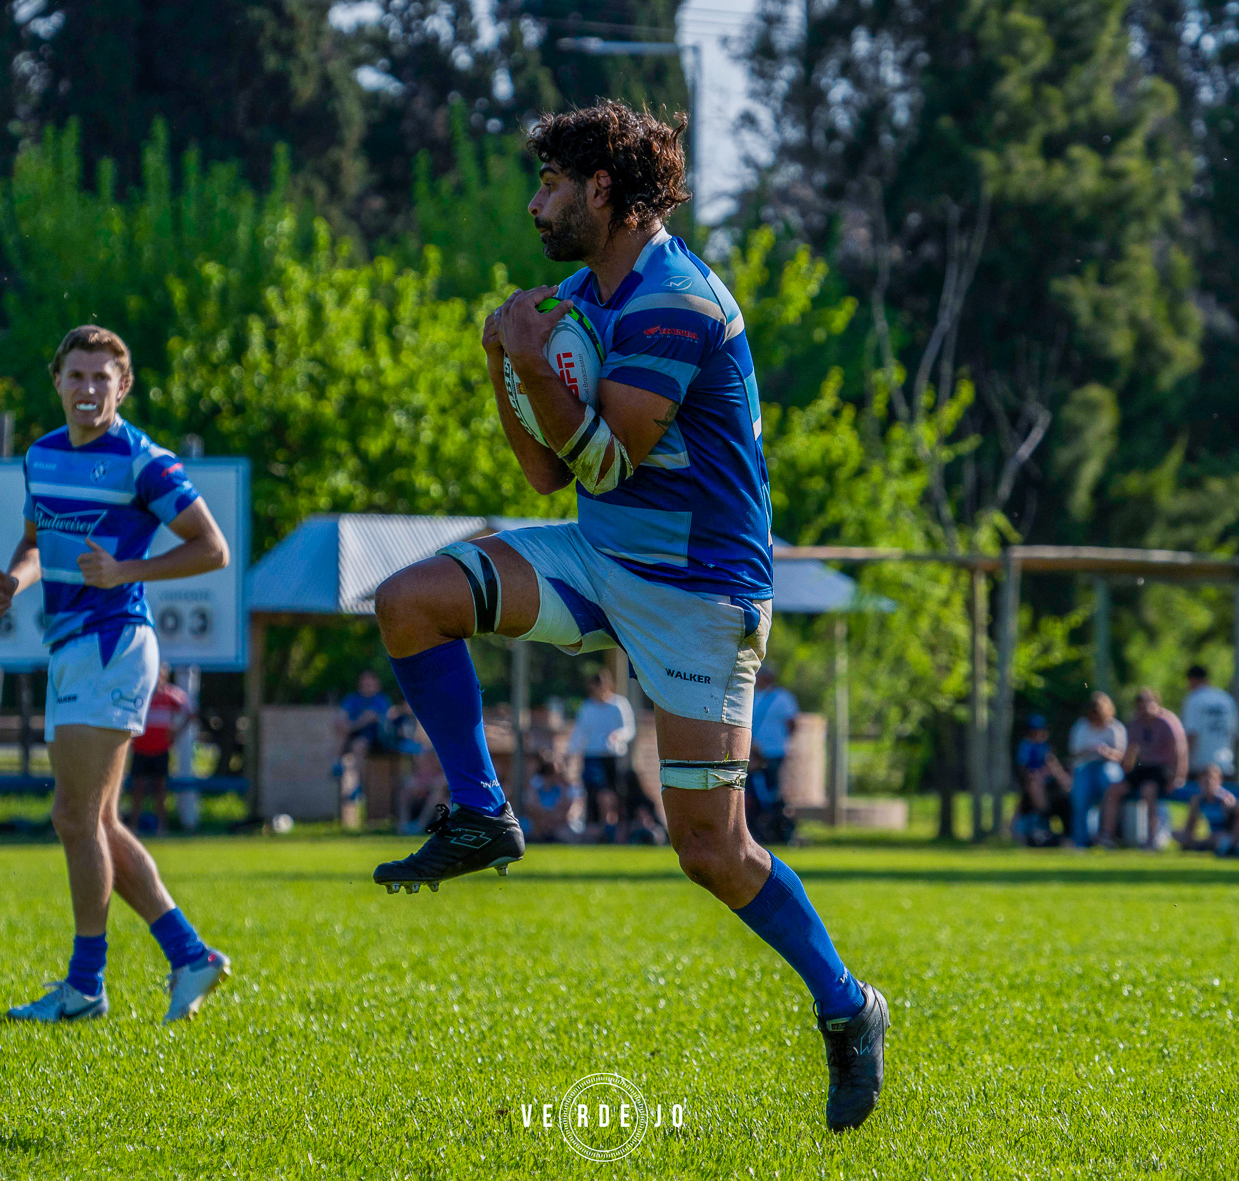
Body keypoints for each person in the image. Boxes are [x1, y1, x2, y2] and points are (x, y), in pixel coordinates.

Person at [365, 103, 886, 1130]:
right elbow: (546, 474)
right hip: (601, 556)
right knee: (408, 601)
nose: (535, 203)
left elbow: (605, 461)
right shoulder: (575, 299)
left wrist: (530, 361)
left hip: (699, 591)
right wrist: (503, 361)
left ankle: (847, 1003)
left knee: (710, 850)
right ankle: (481, 810)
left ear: (603, 189)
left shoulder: (678, 302)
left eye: (551, 181)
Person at [0, 324, 231, 1023]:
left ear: (123, 387)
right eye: (77, 375)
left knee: (74, 815)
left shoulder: (142, 460)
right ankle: (189, 955)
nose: (88, 388)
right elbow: (36, 544)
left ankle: (86, 986)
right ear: (58, 381)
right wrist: (14, 582)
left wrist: (126, 570)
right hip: (73, 646)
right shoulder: (41, 455)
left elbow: (213, 548)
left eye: (102, 377)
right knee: (94, 820)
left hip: (113, 642)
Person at [1101, 688, 1188, 850]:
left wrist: (1178, 777)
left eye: (1148, 705)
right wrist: (1125, 769)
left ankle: (1151, 838)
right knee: (1114, 790)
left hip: (1162, 769)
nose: (1145, 710)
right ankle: (1107, 836)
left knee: (1148, 790)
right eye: (1141, 707)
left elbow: (1179, 751)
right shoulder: (1136, 723)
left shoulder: (1167, 722)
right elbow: (1130, 751)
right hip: (1143, 766)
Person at [566, 669, 636, 843]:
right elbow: (579, 732)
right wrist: (570, 753)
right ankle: (597, 828)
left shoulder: (619, 704)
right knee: (595, 792)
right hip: (593, 756)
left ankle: (615, 827)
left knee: (614, 793)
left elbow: (629, 729)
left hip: (613, 756)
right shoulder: (587, 707)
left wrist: (618, 735)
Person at [127, 664, 194, 835]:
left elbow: (190, 712)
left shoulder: (171, 694)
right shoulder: (140, 694)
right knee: (137, 789)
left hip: (161, 749)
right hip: (141, 749)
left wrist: (177, 732)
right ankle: (133, 827)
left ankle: (162, 827)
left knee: (160, 790)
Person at [749, 663, 801, 845]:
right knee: (754, 793)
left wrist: (782, 743)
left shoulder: (783, 698)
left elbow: (792, 723)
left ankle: (776, 827)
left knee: (772, 792)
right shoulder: (753, 696)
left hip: (774, 752)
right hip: (754, 753)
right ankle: (758, 828)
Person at [1068, 692, 1127, 847]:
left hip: (1107, 766)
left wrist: (1106, 752)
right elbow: (1074, 752)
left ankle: (1107, 835)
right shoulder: (1082, 726)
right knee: (1080, 797)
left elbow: (1121, 756)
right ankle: (1081, 840)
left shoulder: (1115, 727)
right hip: (1085, 766)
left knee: (1110, 786)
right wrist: (1089, 750)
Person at [335, 669, 392, 804]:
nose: (366, 685)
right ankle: (337, 762)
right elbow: (341, 715)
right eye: (364, 681)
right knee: (341, 726)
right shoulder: (352, 699)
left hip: (376, 738)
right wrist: (343, 722)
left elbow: (378, 719)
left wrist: (352, 726)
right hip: (352, 734)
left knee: (359, 743)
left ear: (376, 683)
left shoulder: (381, 700)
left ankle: (358, 785)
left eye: (369, 682)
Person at [1013, 714, 1072, 844]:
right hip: (1034, 787)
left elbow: (1053, 767)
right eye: (1035, 732)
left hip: (1051, 786)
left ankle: (1071, 834)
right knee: (1035, 782)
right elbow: (1024, 770)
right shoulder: (1026, 746)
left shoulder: (1046, 747)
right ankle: (1044, 815)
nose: (1039, 735)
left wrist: (1053, 771)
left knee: (1065, 781)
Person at [1181, 664, 1238, 779]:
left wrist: (1183, 763)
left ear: (1192, 680)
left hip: (1200, 766)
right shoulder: (1226, 698)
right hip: (1224, 763)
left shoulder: (1194, 699)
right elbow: (1233, 732)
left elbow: (1192, 734)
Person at [1177, 763, 1239, 851]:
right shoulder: (1198, 800)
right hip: (1213, 835)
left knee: (1217, 839)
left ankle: (1200, 845)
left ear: (1219, 781)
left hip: (1227, 835)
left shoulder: (1225, 799)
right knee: (1177, 834)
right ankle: (1197, 845)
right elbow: (1190, 825)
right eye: (1204, 781)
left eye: (1211, 780)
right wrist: (1186, 836)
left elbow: (1233, 825)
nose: (1208, 783)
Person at [519, 755, 584, 843]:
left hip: (559, 825)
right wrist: (544, 820)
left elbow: (568, 812)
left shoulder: (566, 788)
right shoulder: (535, 786)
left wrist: (552, 821)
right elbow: (531, 808)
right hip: (539, 824)